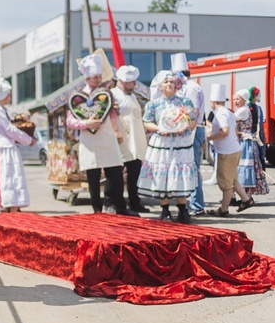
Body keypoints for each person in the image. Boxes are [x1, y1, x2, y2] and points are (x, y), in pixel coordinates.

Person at [65, 54, 138, 216]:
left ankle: (118, 206)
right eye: (94, 77)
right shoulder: (78, 98)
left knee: (116, 172)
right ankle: (96, 209)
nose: (98, 80)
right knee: (93, 176)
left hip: (107, 137)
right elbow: (69, 121)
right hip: (89, 140)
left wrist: (117, 129)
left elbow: (111, 115)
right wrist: (86, 124)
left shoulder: (105, 95)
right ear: (87, 78)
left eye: (99, 77)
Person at [137, 70, 198, 223]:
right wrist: (159, 128)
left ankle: (183, 209)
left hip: (180, 143)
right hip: (162, 143)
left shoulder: (185, 102)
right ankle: (165, 210)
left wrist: (185, 126)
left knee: (179, 173)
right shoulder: (153, 104)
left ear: (176, 85)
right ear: (160, 86)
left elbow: (193, 120)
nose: (169, 84)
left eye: (171, 82)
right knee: (163, 175)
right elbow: (146, 122)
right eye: (166, 82)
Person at [0, 77, 36, 213]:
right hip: (3, 149)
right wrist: (29, 141)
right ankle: (10, 206)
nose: (10, 98)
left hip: (4, 146)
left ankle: (11, 206)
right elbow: (9, 129)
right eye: (8, 95)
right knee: (8, 177)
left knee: (9, 177)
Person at [205, 84, 254, 216]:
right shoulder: (228, 112)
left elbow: (225, 131)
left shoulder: (220, 114)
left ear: (213, 102)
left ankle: (224, 209)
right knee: (232, 179)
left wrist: (210, 137)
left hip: (227, 152)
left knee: (225, 183)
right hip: (234, 149)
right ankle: (246, 199)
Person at [111, 65, 150, 213]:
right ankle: (116, 203)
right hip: (121, 140)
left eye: (133, 82)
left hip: (135, 139)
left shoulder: (132, 95)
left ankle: (134, 201)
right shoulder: (113, 94)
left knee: (135, 173)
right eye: (130, 83)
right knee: (116, 175)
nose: (133, 85)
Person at [171, 53, 206, 216]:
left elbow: (193, 111)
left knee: (192, 168)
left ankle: (197, 205)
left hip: (192, 129)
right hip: (188, 130)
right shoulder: (186, 87)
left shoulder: (190, 88)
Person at [233, 90, 269, 198]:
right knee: (243, 167)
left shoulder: (242, 111)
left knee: (243, 166)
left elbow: (229, 120)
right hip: (246, 140)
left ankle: (245, 195)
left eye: (238, 99)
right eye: (234, 99)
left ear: (244, 100)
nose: (235, 101)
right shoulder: (245, 109)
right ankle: (244, 195)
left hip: (244, 141)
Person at [249, 86, 267, 166]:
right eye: (258, 94)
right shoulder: (247, 108)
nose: (259, 96)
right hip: (251, 134)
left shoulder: (258, 108)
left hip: (258, 133)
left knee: (260, 154)